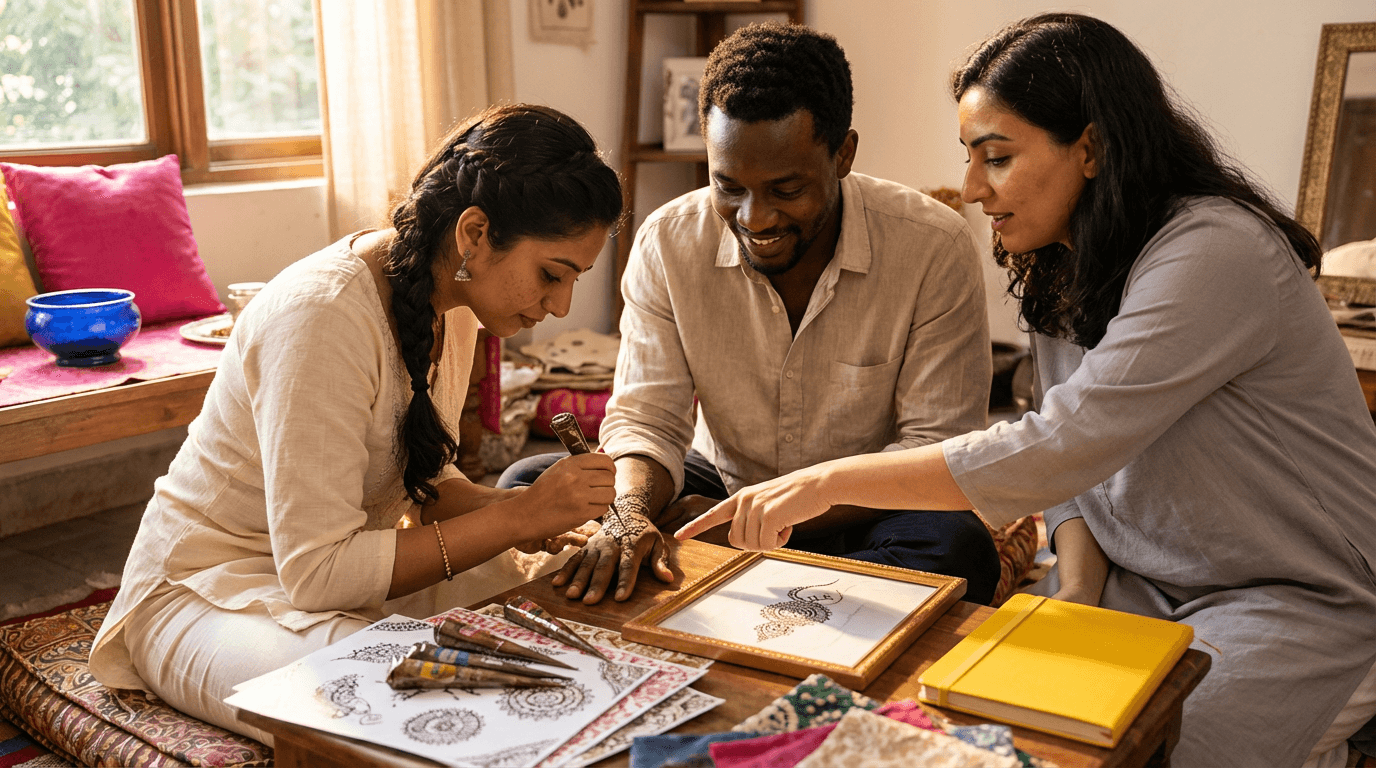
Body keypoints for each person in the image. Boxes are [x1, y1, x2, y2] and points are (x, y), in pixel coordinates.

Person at [677, 13, 1376, 768]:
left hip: (1306, 596)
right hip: (1143, 582)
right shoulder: (1064, 262)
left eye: (997, 158)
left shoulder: (1217, 251)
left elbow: (1056, 444)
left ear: (1092, 147)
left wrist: (818, 483)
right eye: (968, 158)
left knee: (1128, 751)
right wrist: (1074, 584)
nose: (973, 188)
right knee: (968, 734)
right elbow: (1070, 466)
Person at [88, 104, 624, 743]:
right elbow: (316, 576)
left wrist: (521, 513)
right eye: (550, 275)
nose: (560, 305)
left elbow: (421, 475)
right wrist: (515, 517)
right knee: (398, 690)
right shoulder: (323, 316)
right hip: (209, 591)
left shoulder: (451, 304)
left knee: (575, 609)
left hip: (332, 579)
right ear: (474, 234)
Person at [500, 23, 1001, 606]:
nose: (754, 218)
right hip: (722, 478)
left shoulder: (932, 246)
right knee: (527, 490)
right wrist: (632, 515)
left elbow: (932, 453)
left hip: (865, 506)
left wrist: (721, 526)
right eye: (728, 185)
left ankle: (721, 563)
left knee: (957, 547)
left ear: (843, 154)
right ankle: (779, 578)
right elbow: (648, 420)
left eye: (786, 189)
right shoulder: (667, 242)